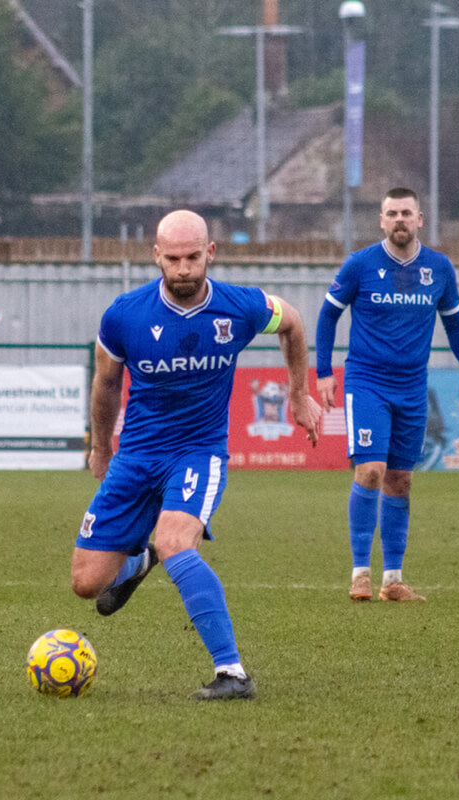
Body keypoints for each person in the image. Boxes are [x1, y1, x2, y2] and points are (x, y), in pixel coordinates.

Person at [73, 209, 322, 701]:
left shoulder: (241, 307)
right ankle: (137, 562)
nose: (183, 268)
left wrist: (298, 394)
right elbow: (105, 384)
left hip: (199, 451)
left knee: (176, 542)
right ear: (156, 257)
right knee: (86, 583)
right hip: (137, 455)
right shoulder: (125, 314)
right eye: (173, 259)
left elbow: (292, 323)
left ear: (210, 253)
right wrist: (101, 446)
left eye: (192, 257)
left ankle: (232, 673)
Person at [315, 187, 459, 603]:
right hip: (367, 381)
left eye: (406, 213)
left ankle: (393, 580)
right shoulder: (360, 264)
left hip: (412, 387)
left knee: (400, 479)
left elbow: (456, 326)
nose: (399, 220)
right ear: (381, 220)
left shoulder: (439, 268)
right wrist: (323, 373)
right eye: (391, 214)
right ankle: (360, 574)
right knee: (370, 470)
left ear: (420, 219)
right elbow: (327, 315)